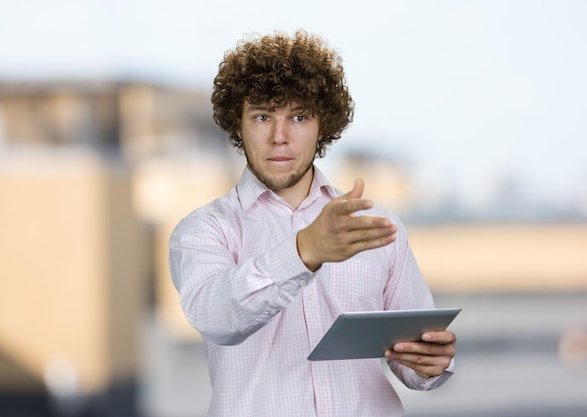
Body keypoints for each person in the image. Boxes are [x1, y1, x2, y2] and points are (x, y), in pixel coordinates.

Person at [169, 29, 456, 417]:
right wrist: (305, 252)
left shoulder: (378, 227)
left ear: (324, 125)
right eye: (262, 116)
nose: (280, 136)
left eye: (299, 116)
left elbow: (414, 357)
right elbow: (216, 319)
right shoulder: (204, 231)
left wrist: (428, 364)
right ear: (238, 125)